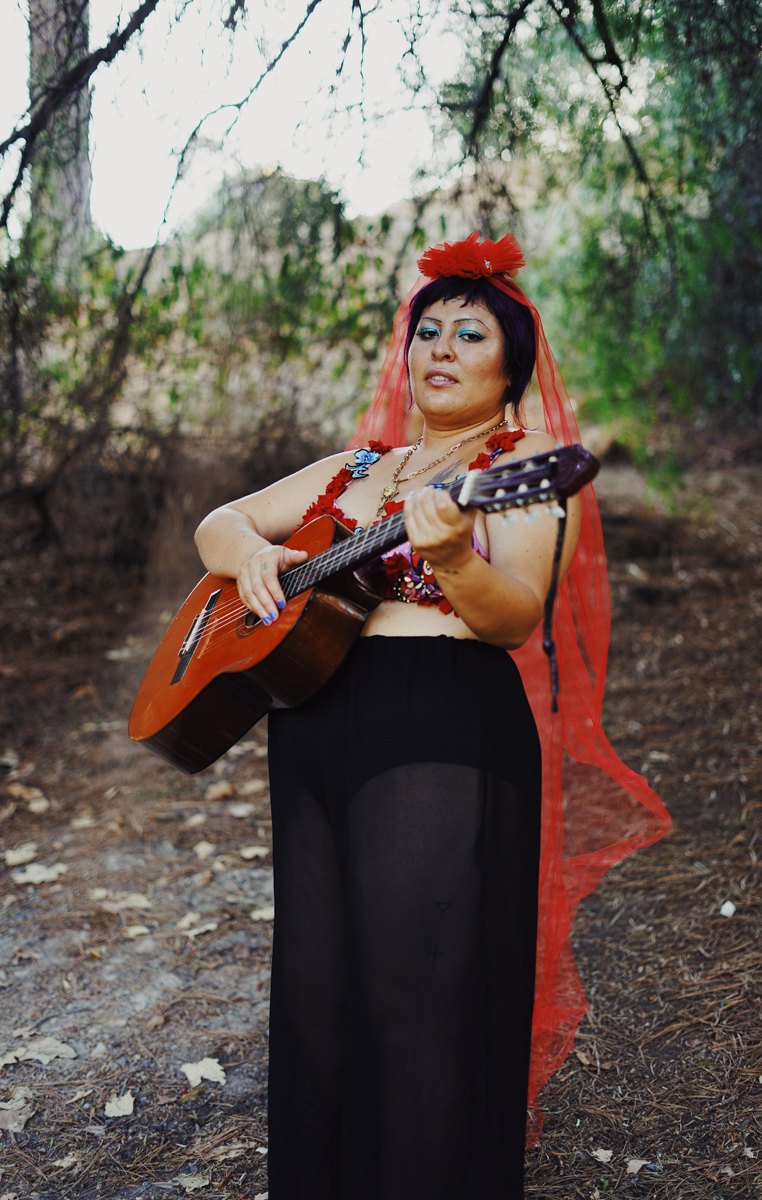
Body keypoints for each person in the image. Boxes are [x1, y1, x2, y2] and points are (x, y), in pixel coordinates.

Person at [194, 233, 671, 1200]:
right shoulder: (354, 467)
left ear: (510, 369)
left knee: (420, 1004)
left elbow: (515, 616)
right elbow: (218, 520)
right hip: (315, 719)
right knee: (319, 1004)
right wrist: (249, 550)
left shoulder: (517, 463)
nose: (440, 348)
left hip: (440, 727)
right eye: (429, 331)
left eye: (470, 332)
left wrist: (453, 557)